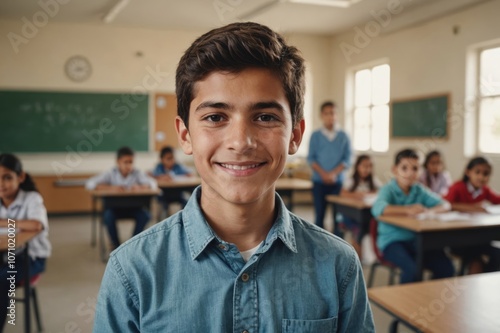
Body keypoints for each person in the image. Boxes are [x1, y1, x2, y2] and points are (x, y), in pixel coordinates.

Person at [93, 22, 374, 332]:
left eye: (265, 117)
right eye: (215, 117)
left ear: (295, 135)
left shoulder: (338, 266)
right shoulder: (132, 270)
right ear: (185, 135)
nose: (241, 142)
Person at [371, 148, 454, 284]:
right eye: (404, 168)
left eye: (415, 169)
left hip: (417, 241)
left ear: (420, 171)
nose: (410, 173)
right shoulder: (388, 189)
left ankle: (430, 298)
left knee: (446, 267)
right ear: (394, 170)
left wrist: (428, 212)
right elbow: (378, 209)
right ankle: (403, 304)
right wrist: (407, 210)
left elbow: (445, 205)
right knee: (412, 269)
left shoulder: (419, 190)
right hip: (392, 242)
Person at [0, 154, 51, 331]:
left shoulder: (32, 198)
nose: (1, 183)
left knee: (3, 279)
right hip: (4, 256)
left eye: (7, 177)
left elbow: (36, 224)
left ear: (20, 177)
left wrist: (3, 222)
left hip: (31, 258)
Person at [85, 146, 157, 249]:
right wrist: (110, 188)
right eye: (125, 162)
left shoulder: (137, 173)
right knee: (108, 216)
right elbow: (90, 183)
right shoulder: (110, 173)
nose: (129, 165)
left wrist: (140, 186)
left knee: (145, 215)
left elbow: (153, 183)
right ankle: (116, 246)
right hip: (115, 209)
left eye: (131, 162)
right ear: (118, 162)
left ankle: (132, 243)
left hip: (133, 208)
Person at [444, 156, 500, 274]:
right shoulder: (458, 187)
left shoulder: (485, 190)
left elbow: (497, 199)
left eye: (486, 174)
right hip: (457, 239)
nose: (481, 177)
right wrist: (474, 208)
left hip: (477, 238)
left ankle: (488, 279)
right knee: (475, 259)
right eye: (477, 172)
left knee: (497, 253)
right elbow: (446, 204)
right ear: (468, 172)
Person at [307, 101, 352, 234]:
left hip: (337, 183)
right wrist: (324, 174)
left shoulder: (344, 136)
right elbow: (311, 158)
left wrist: (333, 174)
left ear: (337, 114)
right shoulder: (315, 136)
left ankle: (339, 246)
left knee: (338, 217)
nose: (330, 116)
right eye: (326, 113)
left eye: (332, 113)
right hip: (319, 182)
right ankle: (318, 246)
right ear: (321, 115)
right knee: (319, 215)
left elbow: (348, 159)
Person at [340, 154, 381, 257]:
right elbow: (343, 193)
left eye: (369, 166)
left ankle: (367, 254)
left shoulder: (373, 180)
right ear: (357, 166)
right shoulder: (351, 180)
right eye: (364, 166)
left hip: (366, 214)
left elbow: (382, 191)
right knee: (359, 228)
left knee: (371, 225)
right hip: (350, 214)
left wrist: (370, 194)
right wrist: (358, 195)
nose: (366, 169)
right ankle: (357, 255)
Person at [151, 145, 193, 215]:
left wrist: (175, 177)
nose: (171, 161)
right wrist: (161, 177)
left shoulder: (177, 166)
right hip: (164, 194)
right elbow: (151, 175)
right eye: (168, 158)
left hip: (177, 193)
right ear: (162, 159)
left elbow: (190, 174)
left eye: (173, 158)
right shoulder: (159, 167)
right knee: (162, 203)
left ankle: (185, 218)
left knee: (186, 201)